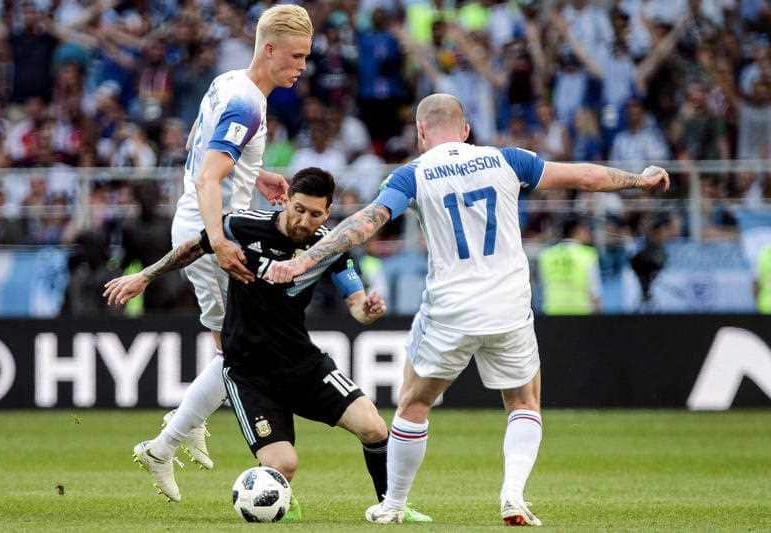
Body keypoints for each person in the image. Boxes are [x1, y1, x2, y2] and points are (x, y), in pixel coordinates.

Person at [267, 94, 670, 525]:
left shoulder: (414, 174)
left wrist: (303, 260)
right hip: (509, 305)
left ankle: (394, 504)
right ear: (465, 130)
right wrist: (637, 180)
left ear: (421, 133)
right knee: (524, 402)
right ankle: (513, 495)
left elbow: (366, 223)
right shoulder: (505, 159)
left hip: (451, 308)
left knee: (413, 405)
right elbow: (583, 177)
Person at [104, 169, 431, 523]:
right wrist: (144, 276)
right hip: (249, 373)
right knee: (284, 465)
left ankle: (391, 506)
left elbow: (357, 305)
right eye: (299, 209)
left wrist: (368, 310)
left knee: (375, 428)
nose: (304, 220)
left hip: (303, 364)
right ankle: (281, 499)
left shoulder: (330, 245)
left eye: (315, 214)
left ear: (328, 212)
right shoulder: (243, 226)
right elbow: (191, 249)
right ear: (287, 200)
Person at [127, 4, 312, 502]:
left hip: (202, 221)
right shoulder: (248, 103)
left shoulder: (228, 82)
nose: (301, 66)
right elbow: (209, 175)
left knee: (230, 345)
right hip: (211, 232)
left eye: (306, 57)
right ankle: (168, 441)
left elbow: (197, 144)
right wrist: (220, 238)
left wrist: (257, 176)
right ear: (268, 49)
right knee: (242, 348)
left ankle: (177, 433)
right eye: (295, 56)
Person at [538, 217, 602, 315]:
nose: (589, 232)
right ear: (577, 230)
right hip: (581, 314)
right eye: (586, 229)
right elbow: (595, 291)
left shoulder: (546, 255)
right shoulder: (588, 255)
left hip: (552, 314)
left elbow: (541, 287)